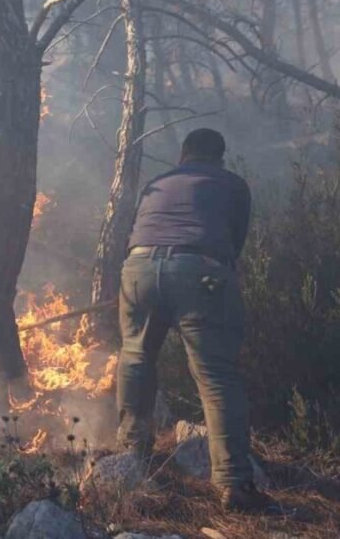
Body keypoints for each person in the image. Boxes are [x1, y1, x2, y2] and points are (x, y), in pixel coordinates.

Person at [116, 129, 276, 513]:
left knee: (135, 358)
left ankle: (130, 456)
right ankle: (234, 483)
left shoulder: (157, 182)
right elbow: (233, 247)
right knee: (216, 376)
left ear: (183, 156)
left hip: (138, 268)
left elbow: (137, 232)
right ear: (219, 158)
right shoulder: (233, 185)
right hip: (200, 271)